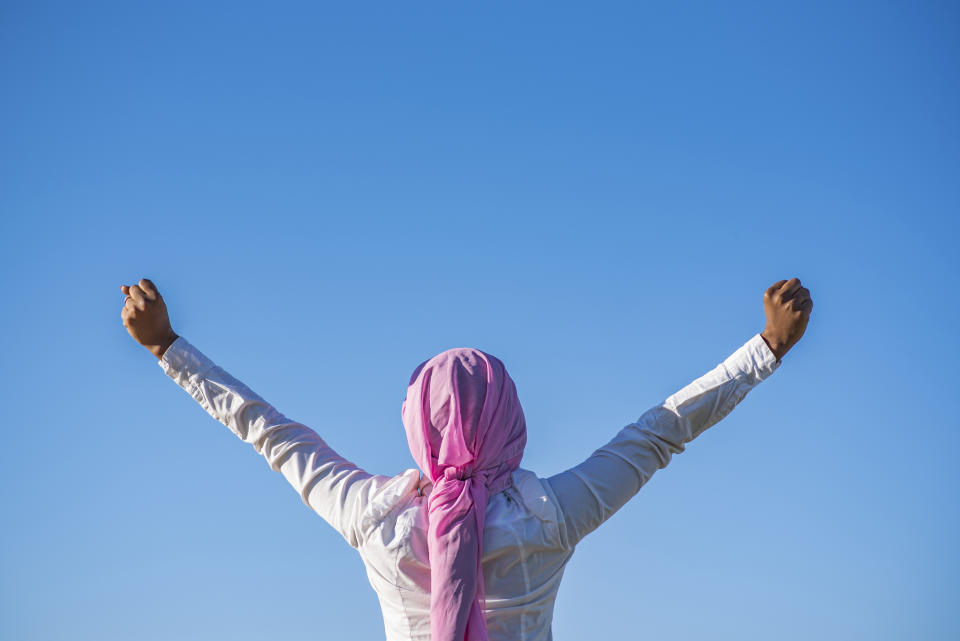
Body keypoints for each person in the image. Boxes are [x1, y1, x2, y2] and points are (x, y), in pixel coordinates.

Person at [120, 277, 812, 641]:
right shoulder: (552, 515)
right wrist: (766, 349)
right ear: (511, 419)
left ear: (418, 422)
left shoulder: (374, 515)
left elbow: (270, 433)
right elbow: (657, 434)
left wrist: (167, 348)